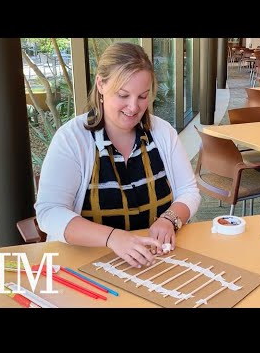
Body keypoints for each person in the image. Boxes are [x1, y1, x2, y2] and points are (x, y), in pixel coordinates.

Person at [35, 42, 201, 268]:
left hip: (156, 262)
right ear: (101, 84)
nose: (133, 108)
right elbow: (49, 212)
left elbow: (189, 191)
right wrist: (113, 238)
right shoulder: (71, 139)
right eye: (123, 95)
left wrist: (169, 219)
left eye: (142, 97)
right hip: (89, 266)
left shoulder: (163, 133)